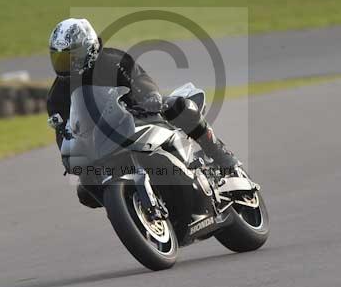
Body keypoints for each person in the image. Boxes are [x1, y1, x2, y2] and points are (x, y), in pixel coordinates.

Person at [46, 18, 239, 208]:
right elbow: (62, 132)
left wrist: (151, 96)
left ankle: (219, 154)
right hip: (101, 143)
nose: (66, 65)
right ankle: (129, 205)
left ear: (89, 49)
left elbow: (139, 78)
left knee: (177, 106)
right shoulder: (57, 97)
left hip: (138, 116)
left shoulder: (112, 61)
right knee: (85, 189)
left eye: (71, 57)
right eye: (60, 59)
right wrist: (69, 154)